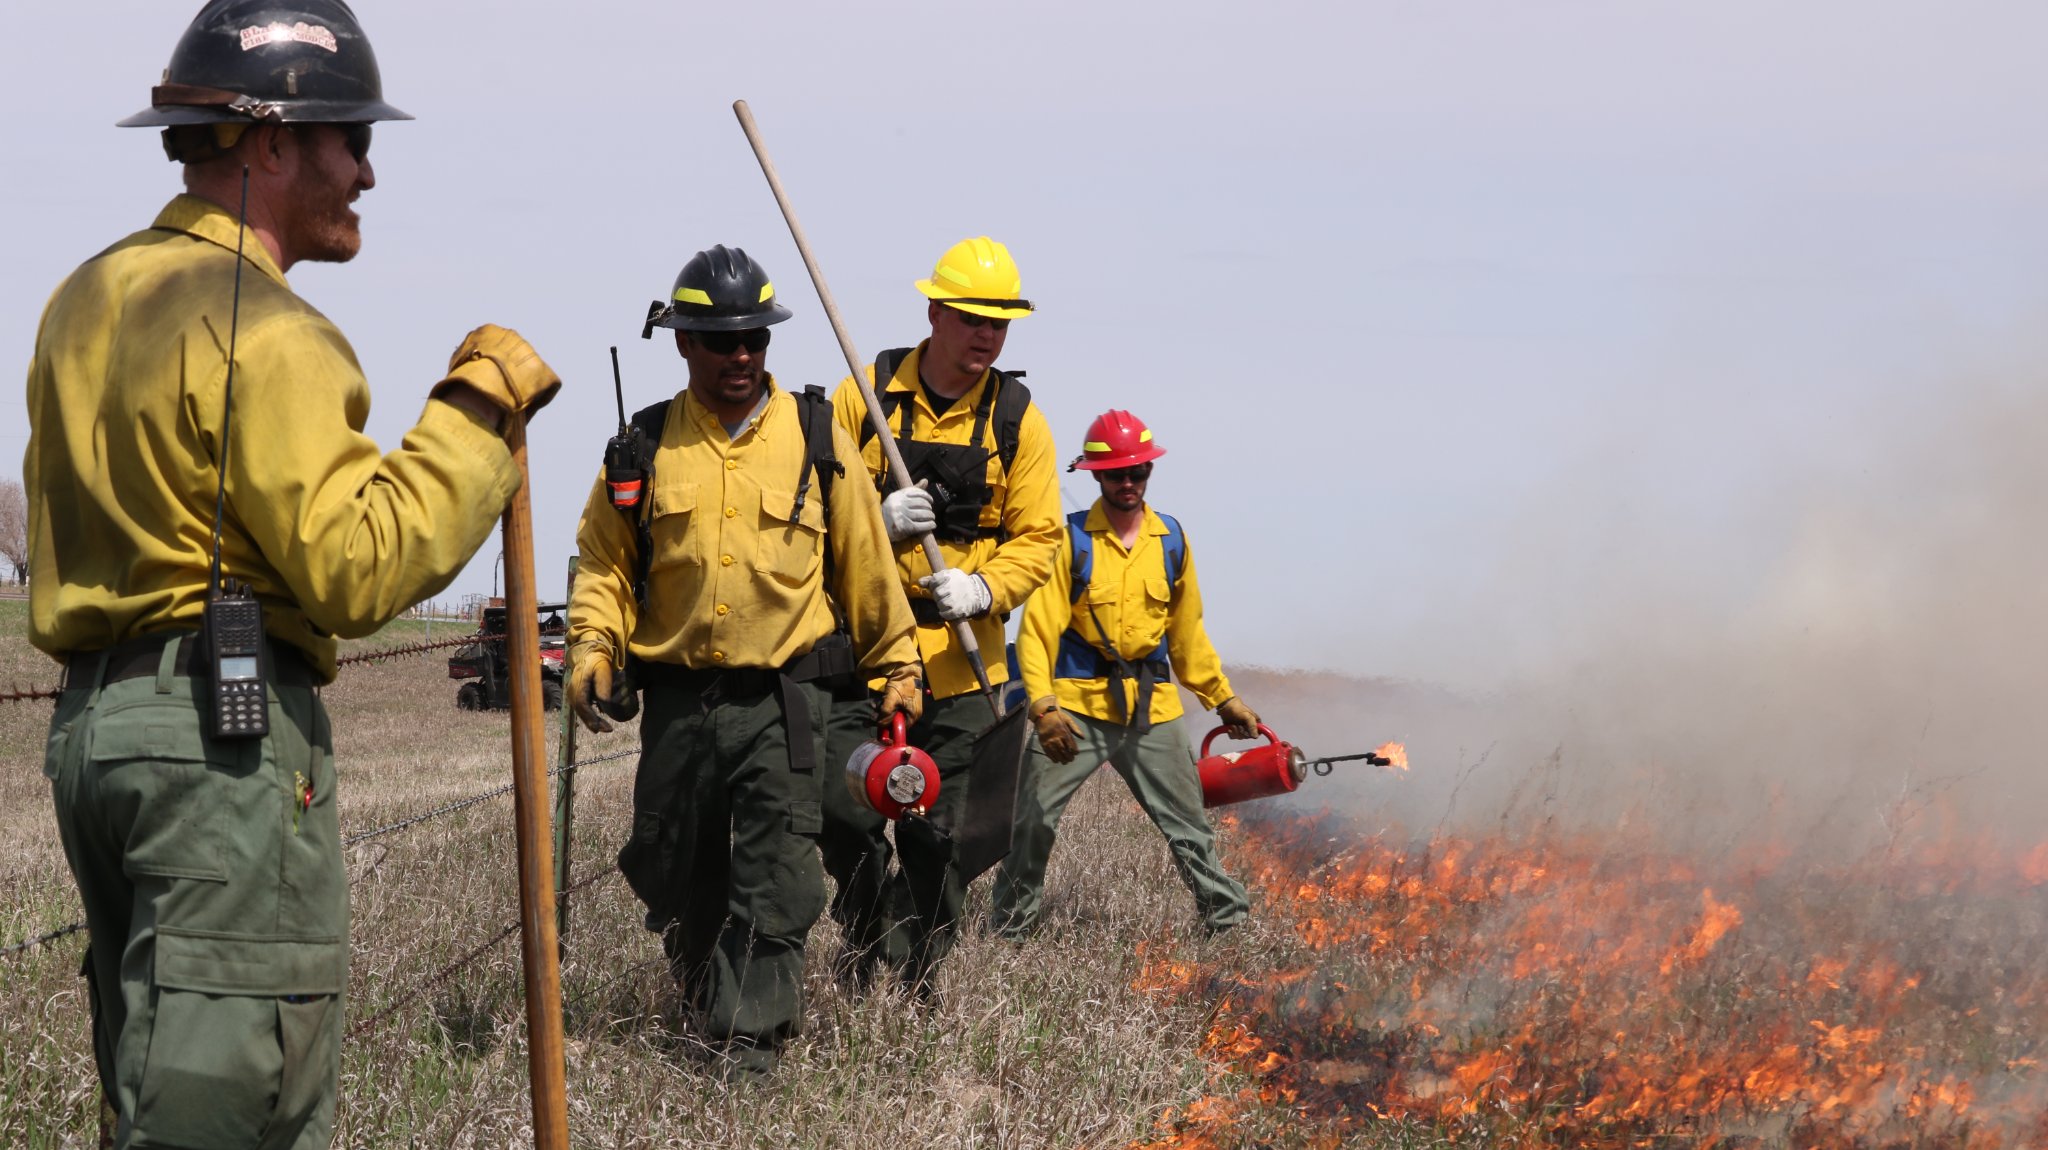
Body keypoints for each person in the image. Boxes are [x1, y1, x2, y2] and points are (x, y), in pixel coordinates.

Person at [25, 3, 560, 1145]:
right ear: (267, 143)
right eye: (348, 137)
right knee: (234, 1101)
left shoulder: (83, 298)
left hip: (95, 735)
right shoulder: (269, 329)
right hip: (218, 750)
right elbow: (355, 571)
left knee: (153, 1082)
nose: (365, 170)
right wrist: (472, 414)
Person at [566, 245, 921, 1076]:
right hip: (681, 703)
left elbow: (869, 570)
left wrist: (898, 666)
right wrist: (593, 645)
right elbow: (605, 566)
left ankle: (746, 1046)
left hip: (785, 703)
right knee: (675, 862)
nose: (741, 356)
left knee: (777, 872)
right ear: (682, 341)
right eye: (720, 340)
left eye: (754, 339)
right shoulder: (642, 444)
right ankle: (704, 999)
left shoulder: (815, 437)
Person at [821, 236, 1063, 993]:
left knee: (944, 838)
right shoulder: (860, 397)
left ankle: (912, 974)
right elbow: (811, 511)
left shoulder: (1020, 419)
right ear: (934, 312)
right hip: (864, 661)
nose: (987, 336)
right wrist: (871, 515)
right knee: (847, 823)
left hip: (965, 671)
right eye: (971, 318)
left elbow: (1041, 537)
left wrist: (985, 589)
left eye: (1001, 323)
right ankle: (863, 945)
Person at [990, 410, 1259, 940]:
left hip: (1152, 709)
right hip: (1074, 710)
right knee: (1033, 823)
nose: (1129, 483)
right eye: (1117, 474)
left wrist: (1222, 699)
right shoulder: (1069, 540)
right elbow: (1038, 634)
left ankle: (1229, 926)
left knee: (1189, 829)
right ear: (1096, 475)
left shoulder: (1171, 539)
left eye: (1139, 472)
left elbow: (1187, 634)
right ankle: (1010, 932)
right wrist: (1043, 708)